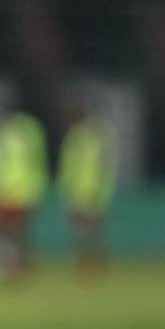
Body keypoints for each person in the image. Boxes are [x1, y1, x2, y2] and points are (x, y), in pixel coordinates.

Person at [0, 110, 48, 279]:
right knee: (12, 230)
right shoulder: (30, 132)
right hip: (19, 189)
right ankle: (13, 263)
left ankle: (12, 264)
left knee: (9, 230)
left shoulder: (0, 136)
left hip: (7, 188)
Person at [58, 112, 117, 273]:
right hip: (78, 191)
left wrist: (104, 190)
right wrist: (67, 191)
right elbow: (68, 166)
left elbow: (106, 166)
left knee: (94, 230)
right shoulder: (74, 137)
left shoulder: (99, 137)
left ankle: (97, 262)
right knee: (81, 230)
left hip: (95, 191)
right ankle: (84, 262)